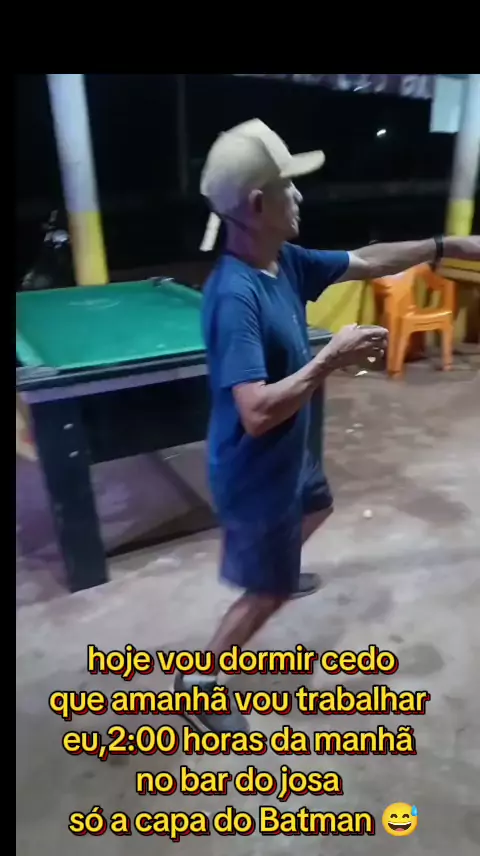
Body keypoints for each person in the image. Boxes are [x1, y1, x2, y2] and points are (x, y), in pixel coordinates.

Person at [175, 119, 480, 734]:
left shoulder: (283, 261)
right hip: (256, 471)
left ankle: (278, 564)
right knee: (267, 592)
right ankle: (199, 683)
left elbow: (368, 261)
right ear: (256, 205)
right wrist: (329, 360)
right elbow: (256, 412)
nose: (299, 196)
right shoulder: (235, 296)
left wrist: (444, 245)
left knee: (318, 505)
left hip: (290, 457)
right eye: (288, 187)